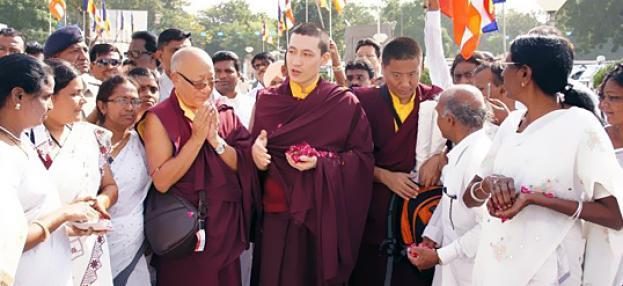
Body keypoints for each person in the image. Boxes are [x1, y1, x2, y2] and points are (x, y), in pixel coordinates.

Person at [462, 35, 623, 286]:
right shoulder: (511, 123)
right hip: (497, 265)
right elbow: (469, 197)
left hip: (552, 268)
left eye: (507, 67)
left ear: (525, 74)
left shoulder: (580, 126)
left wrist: (536, 199)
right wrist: (489, 185)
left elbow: (613, 216)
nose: (502, 75)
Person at [249, 23, 374, 286]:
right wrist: (254, 153)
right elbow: (250, 150)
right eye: (292, 51)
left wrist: (322, 162)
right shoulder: (267, 100)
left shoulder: (342, 103)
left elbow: (362, 159)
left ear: (324, 58)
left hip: (321, 219)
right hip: (276, 217)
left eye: (306, 54)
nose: (296, 61)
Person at [139, 47, 257, 285]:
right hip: (185, 231)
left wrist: (216, 142)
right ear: (175, 79)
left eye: (210, 81)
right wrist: (196, 139)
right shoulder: (159, 118)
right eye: (198, 83)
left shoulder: (223, 111)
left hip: (223, 228)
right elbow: (162, 181)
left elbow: (243, 164)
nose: (207, 89)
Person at [349, 36, 445, 286]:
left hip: (420, 211)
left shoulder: (436, 100)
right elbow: (346, 156)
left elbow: (462, 142)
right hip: (374, 207)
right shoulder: (362, 101)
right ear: (382, 69)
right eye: (396, 75)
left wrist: (441, 157)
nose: (405, 83)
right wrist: (383, 175)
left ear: (421, 67)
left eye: (413, 74)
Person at [0, 54, 101, 286]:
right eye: (46, 97)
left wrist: (68, 220)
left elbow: (33, 213)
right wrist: (64, 214)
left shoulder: (20, 140)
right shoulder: (3, 154)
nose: (51, 105)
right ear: (18, 95)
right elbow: (10, 240)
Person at [28, 58, 119, 286]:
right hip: (40, 246)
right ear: (50, 96)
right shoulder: (26, 141)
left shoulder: (91, 136)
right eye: (74, 94)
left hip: (89, 244)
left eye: (84, 93)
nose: (82, 101)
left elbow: (110, 186)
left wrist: (100, 203)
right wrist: (64, 219)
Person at [409, 85, 492, 286]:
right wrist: (432, 235)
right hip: (452, 266)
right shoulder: (458, 152)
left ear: (449, 120)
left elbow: (488, 226)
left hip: (471, 271)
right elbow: (449, 199)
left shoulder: (477, 157)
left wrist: (441, 256)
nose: (437, 121)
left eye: (437, 115)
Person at [95, 75, 152, 285]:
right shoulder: (86, 141)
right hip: (90, 239)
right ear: (102, 106)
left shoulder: (143, 143)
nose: (130, 107)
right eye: (122, 101)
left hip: (132, 240)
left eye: (134, 101)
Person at [597, 63, 623, 285]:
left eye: (613, 98)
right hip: (601, 241)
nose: (604, 105)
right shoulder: (597, 139)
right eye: (603, 97)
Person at [43, 26, 99, 118]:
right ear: (54, 58)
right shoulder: (40, 92)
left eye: (85, 50)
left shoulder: (97, 89)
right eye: (75, 51)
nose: (84, 57)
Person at [213, 51, 255, 128]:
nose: (222, 76)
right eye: (217, 71)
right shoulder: (205, 105)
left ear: (239, 75)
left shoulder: (252, 105)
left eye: (228, 71)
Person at [154, 28, 191, 101]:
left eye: (187, 51)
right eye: (176, 51)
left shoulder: (202, 88)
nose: (182, 56)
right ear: (159, 55)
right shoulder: (153, 90)